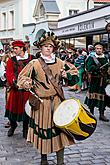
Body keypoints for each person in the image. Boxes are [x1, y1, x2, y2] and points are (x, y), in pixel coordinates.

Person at [17, 31, 79, 165]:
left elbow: (75, 76)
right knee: (43, 132)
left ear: (53, 49)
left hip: (57, 102)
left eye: (50, 46)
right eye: (45, 46)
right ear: (41, 48)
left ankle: (60, 161)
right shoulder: (34, 63)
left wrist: (66, 76)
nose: (48, 48)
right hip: (41, 103)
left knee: (60, 131)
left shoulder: (60, 62)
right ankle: (43, 159)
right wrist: (27, 82)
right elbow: (21, 78)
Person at [5, 40, 35, 138]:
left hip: (27, 90)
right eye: (13, 48)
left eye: (16, 48)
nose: (14, 50)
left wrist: (31, 83)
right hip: (16, 90)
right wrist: (14, 82)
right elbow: (9, 73)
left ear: (22, 48)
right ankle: (13, 126)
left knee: (26, 110)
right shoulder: (11, 60)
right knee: (12, 109)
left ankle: (25, 129)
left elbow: (36, 72)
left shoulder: (32, 59)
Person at [84, 42, 109, 122]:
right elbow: (88, 68)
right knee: (92, 97)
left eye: (100, 48)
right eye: (97, 48)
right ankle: (91, 114)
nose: (99, 50)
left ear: (102, 49)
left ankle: (101, 114)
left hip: (103, 81)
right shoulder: (91, 57)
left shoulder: (105, 57)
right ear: (95, 49)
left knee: (103, 98)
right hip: (94, 80)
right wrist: (96, 68)